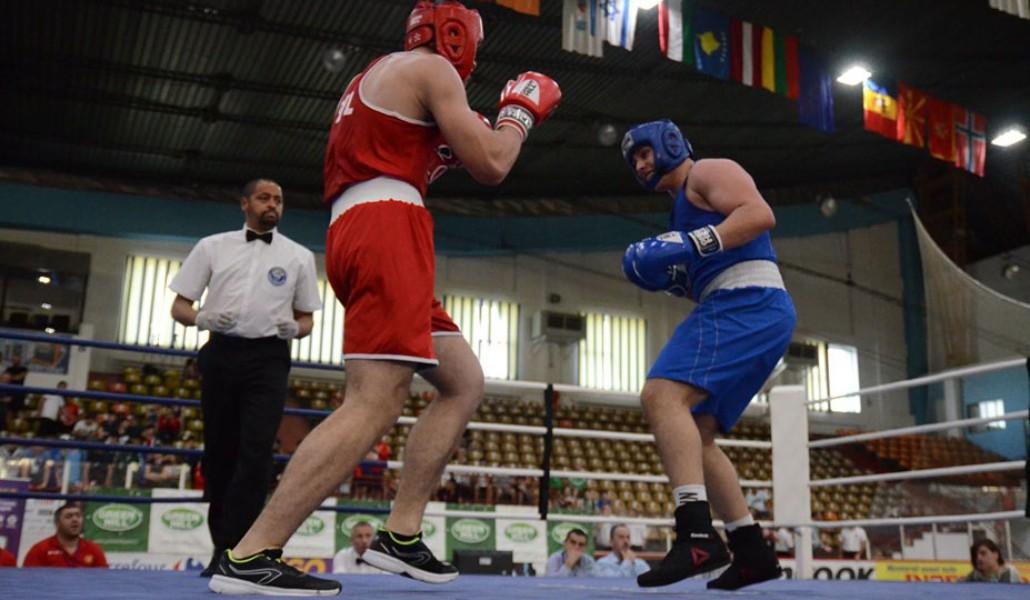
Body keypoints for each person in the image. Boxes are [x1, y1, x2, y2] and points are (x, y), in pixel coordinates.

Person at [209, 1, 560, 596]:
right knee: (374, 401)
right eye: (473, 46)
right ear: (456, 36)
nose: (473, 61)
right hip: (387, 227)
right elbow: (494, 162)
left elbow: (411, 152)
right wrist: (518, 114)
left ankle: (401, 534)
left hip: (365, 226)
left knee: (463, 381)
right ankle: (251, 552)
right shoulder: (432, 69)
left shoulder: (371, 79)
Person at [619, 120, 796, 590]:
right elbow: (714, 262)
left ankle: (696, 534)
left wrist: (693, 244)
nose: (641, 164)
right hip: (745, 304)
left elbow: (759, 214)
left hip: (748, 300)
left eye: (644, 152)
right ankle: (751, 550)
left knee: (661, 395)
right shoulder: (680, 213)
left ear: (669, 143)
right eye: (634, 161)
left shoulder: (707, 172)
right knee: (697, 432)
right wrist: (676, 278)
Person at [170, 177, 321, 578]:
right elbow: (179, 306)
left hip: (269, 359)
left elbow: (307, 319)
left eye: (279, 200)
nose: (273, 205)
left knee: (256, 453)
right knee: (220, 452)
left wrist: (295, 328)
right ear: (245, 204)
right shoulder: (212, 246)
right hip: (221, 352)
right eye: (264, 198)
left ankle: (246, 550)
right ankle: (221, 547)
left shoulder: (299, 256)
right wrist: (202, 318)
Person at [22, 502, 108, 568]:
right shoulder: (40, 550)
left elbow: (103, 580)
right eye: (68, 516)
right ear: (57, 523)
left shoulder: (94, 549)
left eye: (78, 516)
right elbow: (28, 581)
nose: (75, 520)